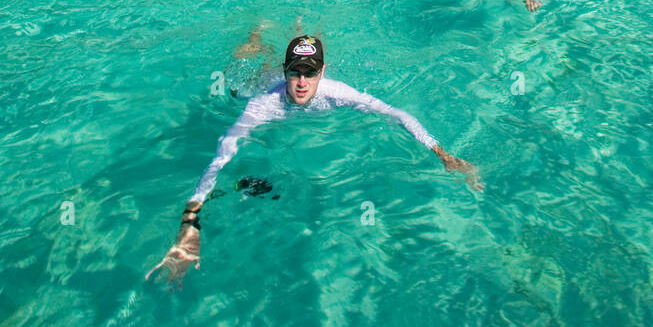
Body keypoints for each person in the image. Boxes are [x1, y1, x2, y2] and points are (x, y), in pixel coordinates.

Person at [146, 34, 482, 287]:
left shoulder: (336, 93)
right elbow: (221, 156)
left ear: (322, 72)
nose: (302, 82)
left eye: (310, 73)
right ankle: (253, 39)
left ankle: (287, 33)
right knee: (237, 86)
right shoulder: (264, 106)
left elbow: (394, 113)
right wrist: (189, 224)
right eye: (294, 73)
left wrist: (443, 154)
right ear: (286, 72)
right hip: (257, 85)